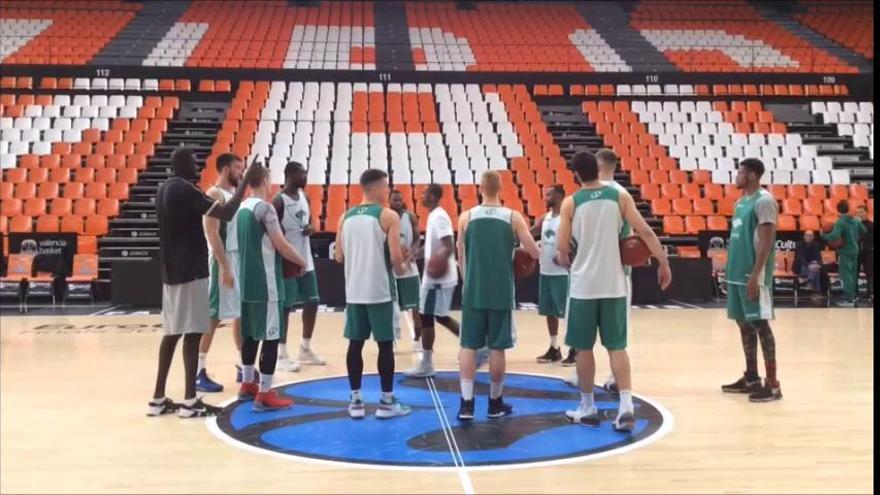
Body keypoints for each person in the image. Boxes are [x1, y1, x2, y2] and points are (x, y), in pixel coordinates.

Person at [556, 151, 672, 430]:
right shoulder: (620, 197)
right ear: (598, 169)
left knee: (583, 348)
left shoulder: (570, 203)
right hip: (615, 285)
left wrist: (570, 254)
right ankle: (626, 407)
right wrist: (663, 261)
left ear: (575, 174)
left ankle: (587, 407)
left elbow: (561, 251)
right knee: (617, 347)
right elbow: (644, 231)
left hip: (584, 286)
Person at [148, 147, 259, 418]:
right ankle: (190, 402)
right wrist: (247, 179)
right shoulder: (186, 189)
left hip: (170, 270)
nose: (197, 168)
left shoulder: (164, 189)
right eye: (194, 163)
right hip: (191, 269)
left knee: (171, 334)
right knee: (194, 332)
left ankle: (158, 399)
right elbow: (228, 213)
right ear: (183, 165)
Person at [456, 171, 540, 420]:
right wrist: (518, 253)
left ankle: (467, 404)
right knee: (497, 348)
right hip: (501, 291)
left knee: (468, 346)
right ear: (501, 188)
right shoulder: (513, 216)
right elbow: (534, 252)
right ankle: (494, 403)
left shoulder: (466, 217)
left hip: (474, 289)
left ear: (480, 188)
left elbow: (461, 254)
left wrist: (467, 280)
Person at [335, 169, 411, 419]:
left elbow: (339, 256)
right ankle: (387, 402)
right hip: (379, 291)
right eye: (386, 186)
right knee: (385, 346)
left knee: (354, 345)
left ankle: (356, 401)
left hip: (353, 291)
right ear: (376, 188)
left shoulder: (344, 216)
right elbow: (396, 259)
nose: (389, 191)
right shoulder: (388, 216)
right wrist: (405, 261)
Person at [235, 165, 307, 411]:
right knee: (271, 336)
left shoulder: (241, 207)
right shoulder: (264, 208)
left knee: (250, 334)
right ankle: (264, 393)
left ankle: (247, 384)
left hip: (245, 282)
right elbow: (282, 245)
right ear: (265, 180)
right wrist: (302, 261)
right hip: (266, 284)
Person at [720, 158, 782, 402]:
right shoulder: (740, 201)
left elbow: (767, 242)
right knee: (743, 324)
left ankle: (774, 385)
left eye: (741, 172)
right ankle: (752, 378)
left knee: (760, 325)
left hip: (752, 274)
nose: (737, 176)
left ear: (753, 176)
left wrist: (756, 275)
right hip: (737, 273)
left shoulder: (764, 201)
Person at [198, 153, 245, 393]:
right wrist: (225, 266)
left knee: (240, 313)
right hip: (221, 260)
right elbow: (212, 233)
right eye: (238, 168)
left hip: (236, 257)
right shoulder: (214, 194)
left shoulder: (234, 196)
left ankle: (241, 364)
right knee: (213, 315)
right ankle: (198, 370)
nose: (242, 173)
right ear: (226, 169)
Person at [272, 161, 325, 372]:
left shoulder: (306, 196)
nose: (305, 177)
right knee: (286, 307)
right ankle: (281, 353)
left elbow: (311, 221)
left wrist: (312, 227)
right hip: (287, 260)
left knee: (313, 301)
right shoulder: (278, 201)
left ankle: (305, 348)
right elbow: (272, 231)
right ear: (291, 175)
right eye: (302, 173)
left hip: (306, 259)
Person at [405, 184, 462, 378]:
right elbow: (433, 246)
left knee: (427, 317)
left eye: (425, 193)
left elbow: (449, 244)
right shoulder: (433, 215)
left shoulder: (438, 216)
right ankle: (474, 343)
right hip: (437, 277)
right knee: (439, 317)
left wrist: (437, 263)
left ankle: (427, 364)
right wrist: (416, 254)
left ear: (433, 196)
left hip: (438, 279)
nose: (421, 196)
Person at [531, 184, 572, 365]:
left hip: (561, 273)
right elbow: (529, 233)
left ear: (560, 196)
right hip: (545, 270)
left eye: (549, 194)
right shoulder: (545, 218)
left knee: (567, 313)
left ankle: (575, 349)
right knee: (549, 312)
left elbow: (576, 239)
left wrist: (565, 252)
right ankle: (554, 348)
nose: (545, 197)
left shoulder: (568, 218)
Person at [389, 189, 423, 348]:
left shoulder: (410, 216)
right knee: (391, 306)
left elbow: (417, 240)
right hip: (391, 267)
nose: (398, 203)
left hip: (409, 267)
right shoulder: (386, 217)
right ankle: (393, 338)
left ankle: (419, 338)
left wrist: (409, 257)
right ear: (389, 201)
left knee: (416, 305)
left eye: (399, 200)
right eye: (394, 200)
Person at [820, 199, 867, 307]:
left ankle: (849, 300)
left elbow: (834, 236)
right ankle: (854, 297)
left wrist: (823, 235)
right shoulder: (855, 220)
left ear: (838, 210)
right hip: (855, 249)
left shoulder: (840, 221)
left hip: (845, 250)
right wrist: (855, 237)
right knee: (853, 274)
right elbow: (864, 231)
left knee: (846, 275)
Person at [856, 205, 873, 302]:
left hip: (868, 251)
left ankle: (869, 293)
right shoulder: (855, 225)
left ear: (866, 212)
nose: (859, 214)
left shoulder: (871, 225)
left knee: (869, 273)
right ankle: (855, 294)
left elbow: (867, 238)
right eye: (858, 212)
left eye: (861, 211)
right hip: (857, 252)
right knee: (855, 273)